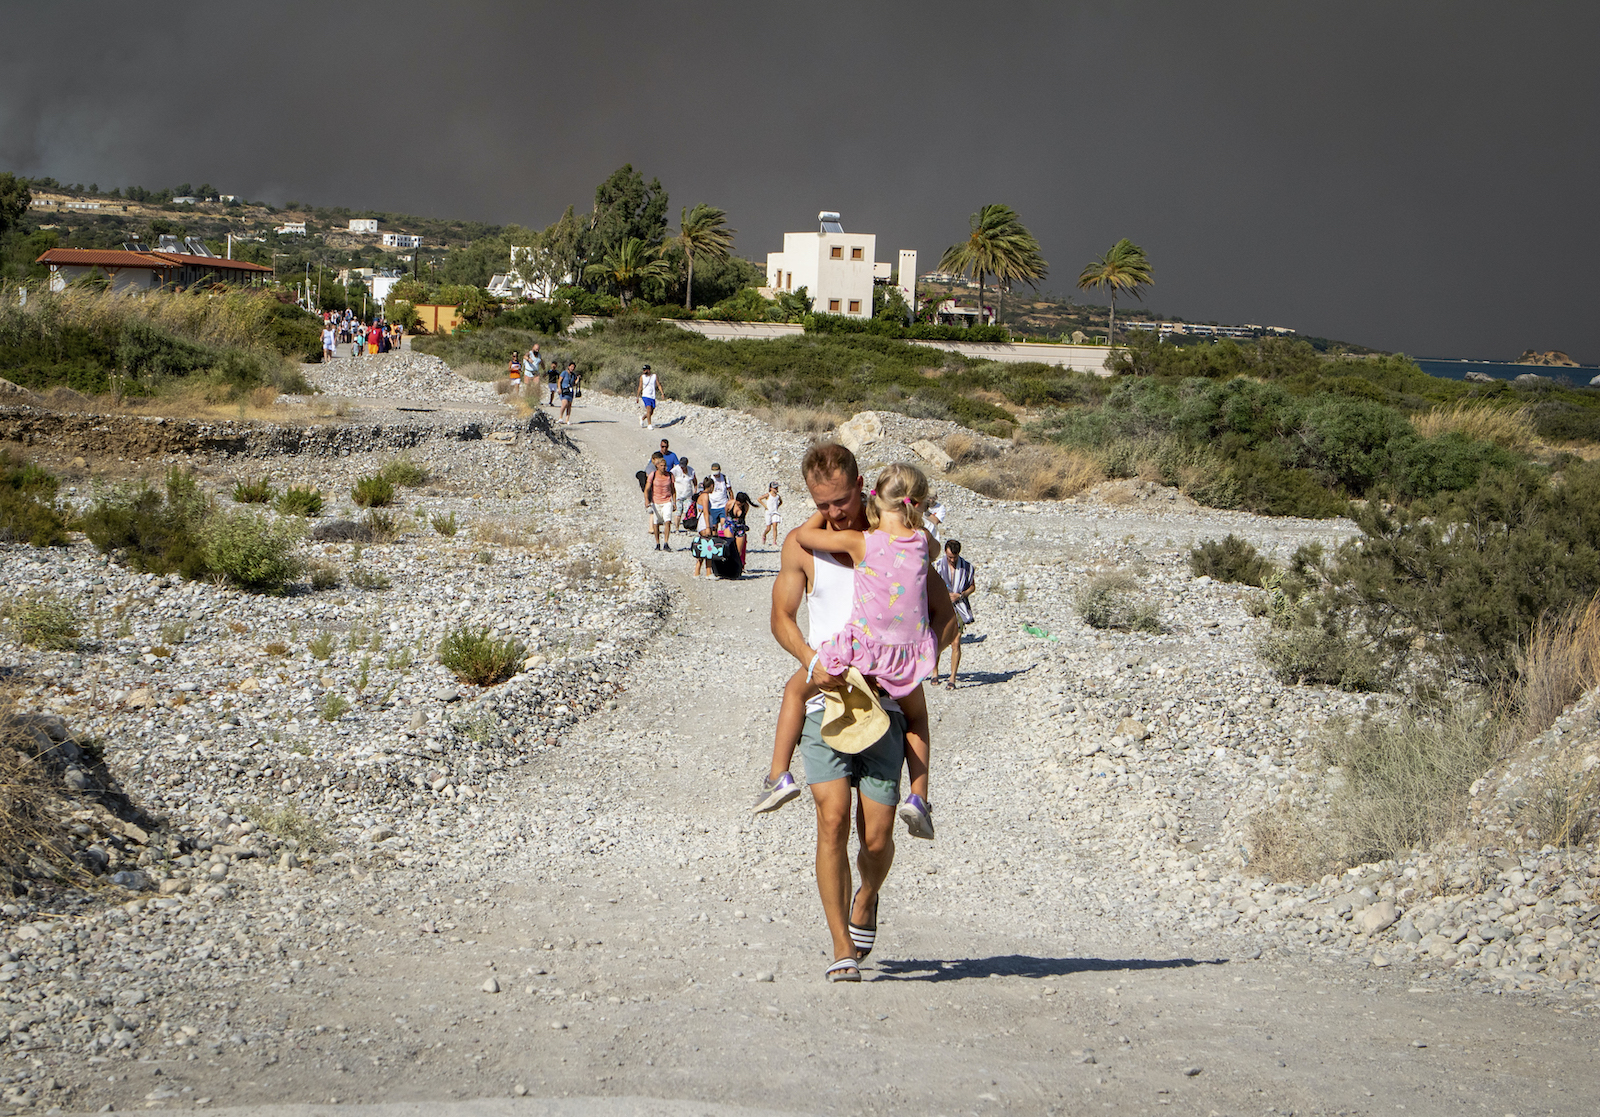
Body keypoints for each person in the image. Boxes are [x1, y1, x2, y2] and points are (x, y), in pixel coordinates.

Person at [762, 444, 958, 982]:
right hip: (829, 701)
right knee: (831, 820)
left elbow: (947, 616)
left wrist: (920, 662)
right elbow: (781, 617)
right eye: (821, 504)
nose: (834, 513)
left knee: (876, 837)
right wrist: (809, 661)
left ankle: (868, 895)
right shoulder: (805, 547)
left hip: (886, 705)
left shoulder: (899, 543)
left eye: (842, 501)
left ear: (863, 486)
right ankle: (840, 945)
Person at [934, 539, 976, 689]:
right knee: (937, 640)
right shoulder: (938, 566)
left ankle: (952, 678)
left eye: (954, 557)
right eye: (949, 557)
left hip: (959, 607)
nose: (952, 560)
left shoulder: (967, 567)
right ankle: (935, 671)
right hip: (941, 606)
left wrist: (961, 595)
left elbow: (972, 586)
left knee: (956, 642)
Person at [645, 452, 676, 551]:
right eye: (661, 466)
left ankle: (666, 543)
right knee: (656, 522)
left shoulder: (670, 476)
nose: (663, 467)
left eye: (664, 466)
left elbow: (673, 489)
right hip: (656, 501)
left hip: (667, 500)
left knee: (668, 521)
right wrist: (647, 501)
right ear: (657, 466)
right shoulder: (653, 475)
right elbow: (647, 489)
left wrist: (674, 502)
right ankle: (657, 543)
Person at [691, 478, 716, 579]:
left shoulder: (701, 495)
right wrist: (708, 527)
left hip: (703, 522)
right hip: (704, 522)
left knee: (705, 546)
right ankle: (707, 572)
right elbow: (705, 511)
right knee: (708, 546)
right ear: (711, 486)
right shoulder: (705, 496)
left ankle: (698, 571)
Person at [671, 455, 697, 530]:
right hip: (678, 495)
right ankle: (677, 528)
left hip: (688, 495)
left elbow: (694, 481)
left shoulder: (691, 471)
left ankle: (687, 527)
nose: (682, 468)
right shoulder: (675, 470)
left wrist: (695, 490)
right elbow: (672, 482)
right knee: (678, 512)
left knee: (687, 512)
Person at [707, 463, 730, 531]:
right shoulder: (709, 479)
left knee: (724, 524)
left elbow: (730, 491)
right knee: (714, 526)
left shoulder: (725, 478)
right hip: (713, 506)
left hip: (723, 505)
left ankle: (723, 538)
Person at [759, 482, 783, 547]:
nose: (776, 489)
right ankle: (764, 534)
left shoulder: (778, 496)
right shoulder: (768, 495)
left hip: (775, 512)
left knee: (775, 526)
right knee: (768, 528)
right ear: (771, 488)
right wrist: (765, 506)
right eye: (774, 487)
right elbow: (759, 499)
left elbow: (781, 501)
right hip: (768, 512)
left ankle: (774, 541)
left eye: (776, 487)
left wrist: (777, 506)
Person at [638, 364, 661, 429]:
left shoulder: (654, 376)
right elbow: (640, 386)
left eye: (645, 370)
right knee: (649, 409)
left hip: (652, 396)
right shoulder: (642, 377)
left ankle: (642, 418)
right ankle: (649, 425)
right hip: (645, 395)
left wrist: (662, 393)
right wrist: (637, 396)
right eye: (643, 370)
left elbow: (658, 384)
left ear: (648, 370)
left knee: (651, 412)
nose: (643, 371)